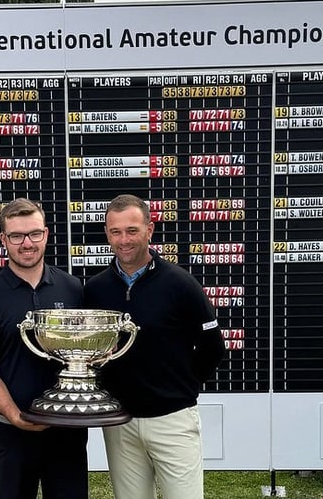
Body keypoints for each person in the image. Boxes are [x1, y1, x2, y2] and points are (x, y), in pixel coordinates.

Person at [83, 194, 225, 499]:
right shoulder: (95, 290)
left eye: (132, 230)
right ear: (107, 233)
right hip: (120, 422)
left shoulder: (181, 284)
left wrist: (179, 387)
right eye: (115, 231)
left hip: (172, 420)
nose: (124, 240)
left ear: (150, 229)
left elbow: (213, 348)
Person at [0, 198, 88, 499]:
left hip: (66, 430)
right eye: (17, 236)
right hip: (10, 432)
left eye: (34, 234)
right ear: (3, 240)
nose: (27, 244)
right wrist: (14, 414)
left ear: (45, 234)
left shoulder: (73, 289)